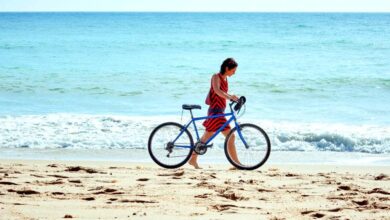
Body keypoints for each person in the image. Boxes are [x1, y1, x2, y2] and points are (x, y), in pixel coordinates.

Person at [188, 58, 240, 169]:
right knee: (231, 136)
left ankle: (192, 159)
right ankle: (236, 164)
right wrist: (230, 97)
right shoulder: (216, 77)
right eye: (233, 70)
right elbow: (217, 91)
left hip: (219, 111)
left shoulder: (225, 79)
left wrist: (232, 97)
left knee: (205, 137)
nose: (234, 73)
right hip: (215, 112)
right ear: (227, 68)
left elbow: (222, 94)